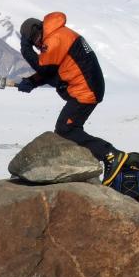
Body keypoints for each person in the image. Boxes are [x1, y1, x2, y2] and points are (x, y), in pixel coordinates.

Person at [17, 12, 125, 180]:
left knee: (66, 129)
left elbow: (43, 67)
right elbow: (51, 69)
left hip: (85, 90)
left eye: (36, 41)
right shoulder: (57, 34)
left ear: (39, 31)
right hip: (84, 87)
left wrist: (25, 48)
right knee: (67, 129)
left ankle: (110, 155)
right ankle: (91, 163)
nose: (38, 46)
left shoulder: (55, 38)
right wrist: (31, 82)